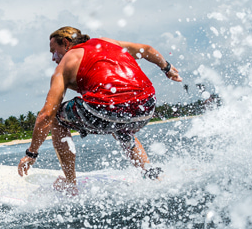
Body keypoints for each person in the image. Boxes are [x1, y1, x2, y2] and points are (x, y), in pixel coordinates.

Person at [18, 26, 182, 193]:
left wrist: (31, 154)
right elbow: (147, 50)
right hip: (146, 106)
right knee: (119, 124)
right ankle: (152, 174)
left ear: (66, 43)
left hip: (106, 110)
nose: (53, 58)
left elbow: (46, 114)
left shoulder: (66, 63)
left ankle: (70, 185)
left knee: (57, 118)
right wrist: (167, 69)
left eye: (54, 51)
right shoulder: (107, 41)